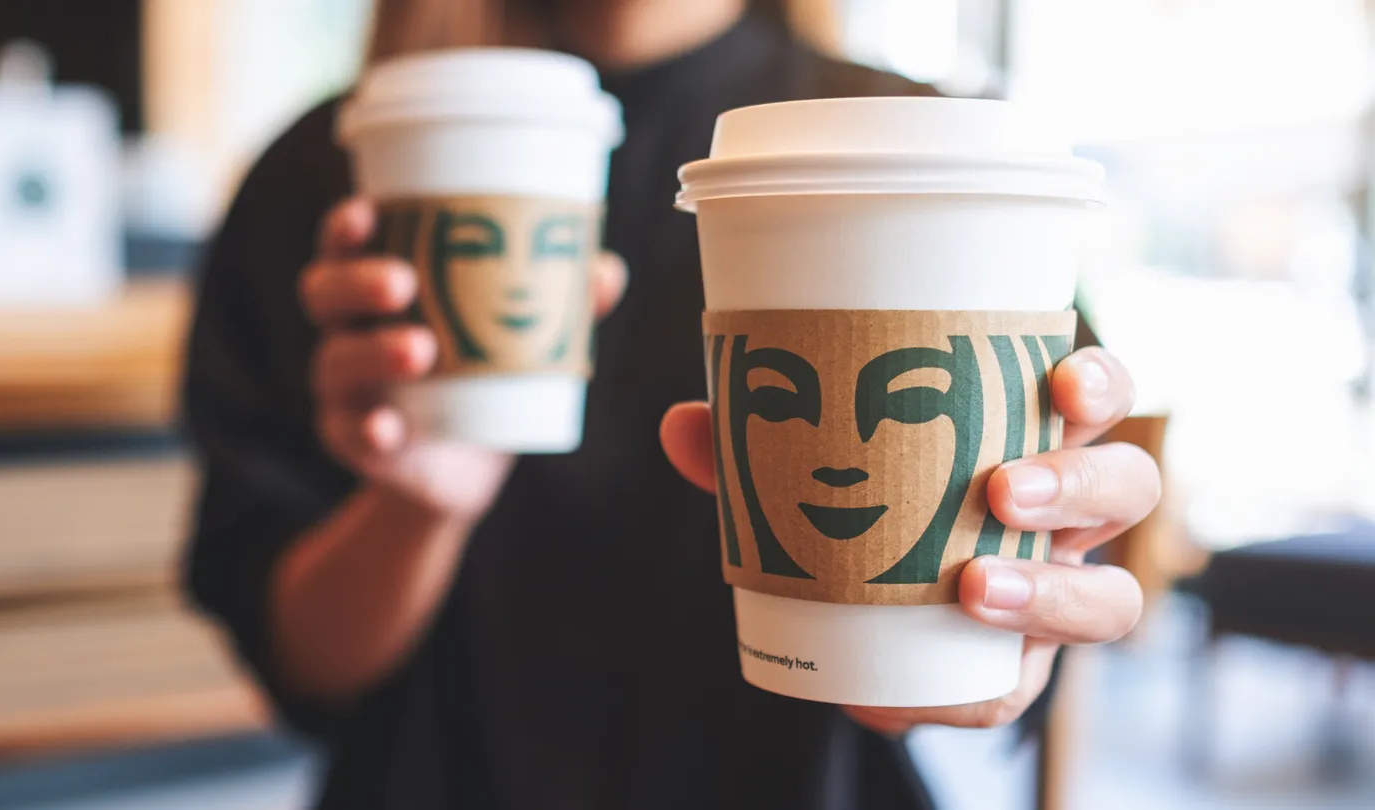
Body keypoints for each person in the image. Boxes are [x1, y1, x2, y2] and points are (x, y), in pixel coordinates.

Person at [183, 1, 1160, 808]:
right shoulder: (328, 174)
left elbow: (1045, 568)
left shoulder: (935, 149)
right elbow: (300, 671)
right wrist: (416, 500)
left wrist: (1017, 615)